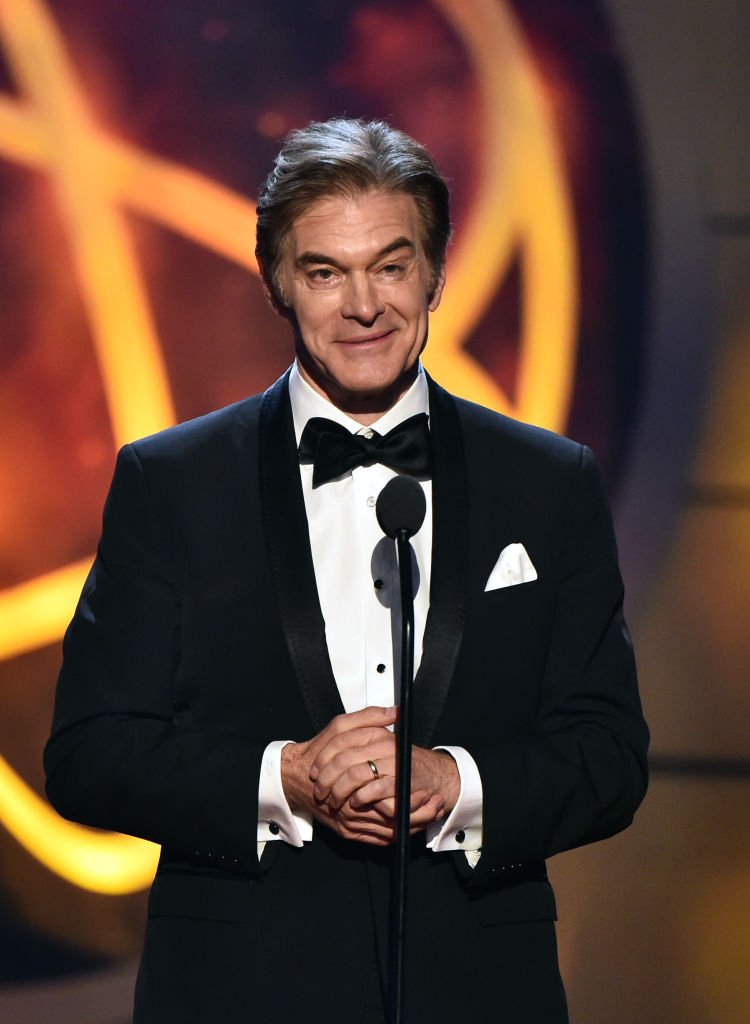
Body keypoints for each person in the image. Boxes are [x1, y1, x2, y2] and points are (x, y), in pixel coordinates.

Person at [45, 118, 649, 1023]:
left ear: (437, 273)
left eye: (392, 266)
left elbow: (608, 756)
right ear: (277, 282)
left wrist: (456, 787)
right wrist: (281, 778)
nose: (363, 305)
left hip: (479, 993)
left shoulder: (548, 483)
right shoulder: (170, 483)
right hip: (236, 990)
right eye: (325, 271)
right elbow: (89, 754)